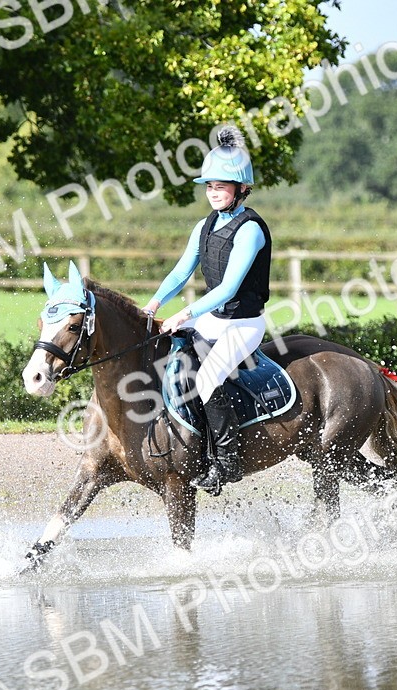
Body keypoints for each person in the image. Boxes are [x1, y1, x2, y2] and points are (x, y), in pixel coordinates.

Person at [142, 126, 272, 496]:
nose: (213, 193)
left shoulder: (251, 231)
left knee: (207, 380)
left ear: (241, 189)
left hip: (243, 325)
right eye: (209, 187)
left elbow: (229, 289)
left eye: (221, 187)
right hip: (212, 319)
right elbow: (181, 271)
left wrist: (185, 315)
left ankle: (226, 463)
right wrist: (154, 304)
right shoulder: (205, 225)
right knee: (164, 353)